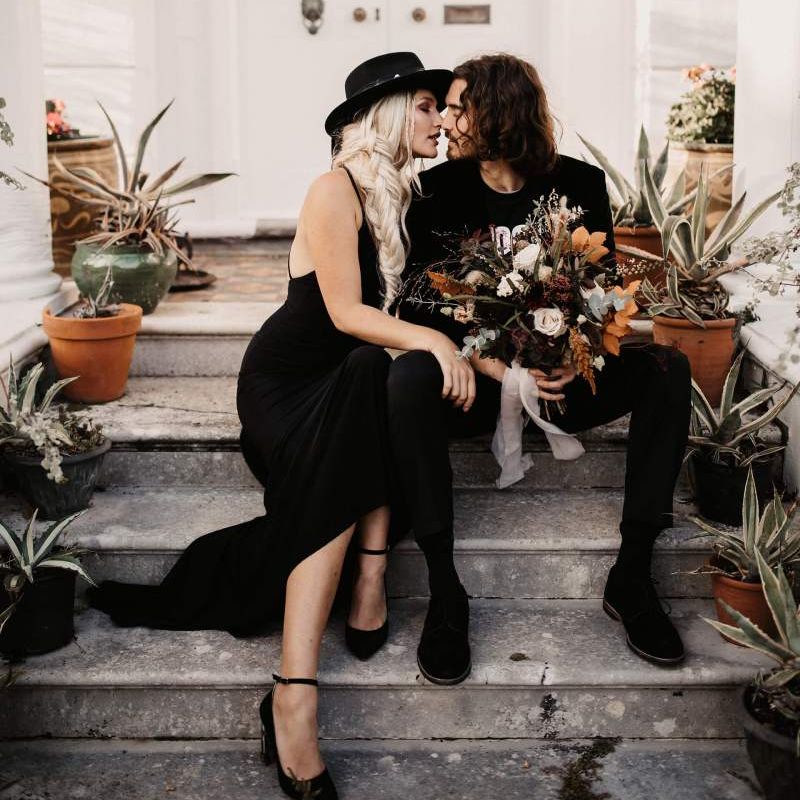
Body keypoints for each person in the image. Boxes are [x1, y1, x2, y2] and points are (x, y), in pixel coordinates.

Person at [89, 52, 476, 800]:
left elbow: (411, 320)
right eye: (429, 106)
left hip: (349, 384)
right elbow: (344, 315)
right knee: (377, 369)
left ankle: (363, 579)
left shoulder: (406, 198)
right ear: (392, 114)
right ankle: (296, 691)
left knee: (379, 376)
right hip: (286, 389)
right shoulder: (333, 190)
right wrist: (437, 343)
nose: (442, 122)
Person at [395, 53, 691, 669]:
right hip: (477, 386)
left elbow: (605, 292)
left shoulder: (579, 184)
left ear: (498, 112)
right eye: (445, 108)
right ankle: (446, 591)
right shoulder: (433, 193)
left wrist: (572, 353)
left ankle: (631, 576)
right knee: (405, 377)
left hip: (563, 382)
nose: (446, 121)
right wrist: (499, 369)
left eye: (457, 107)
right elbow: (418, 303)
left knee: (668, 367)